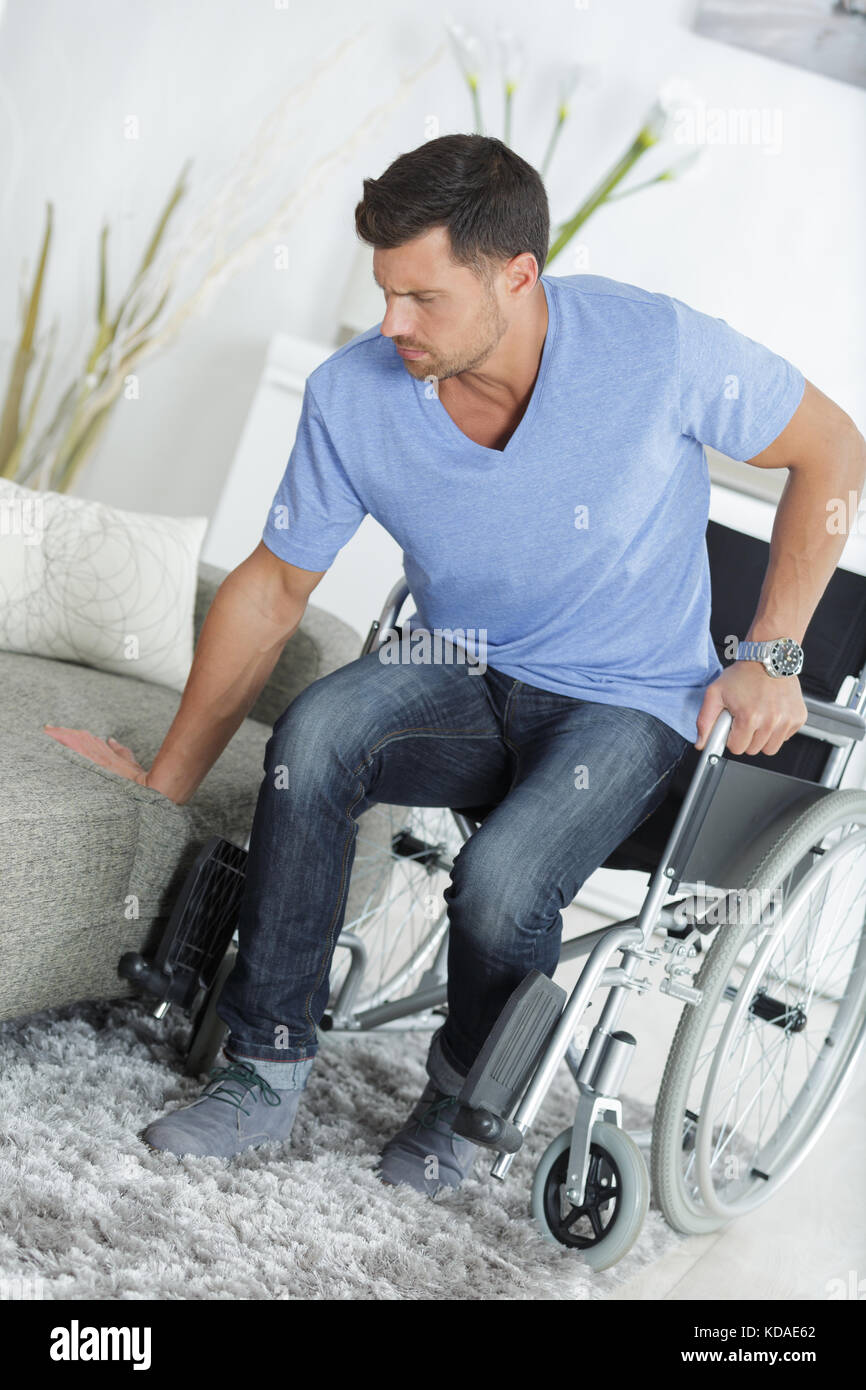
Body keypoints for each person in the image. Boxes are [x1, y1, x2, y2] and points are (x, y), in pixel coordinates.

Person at [45, 134, 865, 1195]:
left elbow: (831, 446)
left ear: (516, 276)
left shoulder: (651, 346)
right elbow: (270, 587)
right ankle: (265, 1065)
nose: (392, 324)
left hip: (630, 701)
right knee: (320, 730)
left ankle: (467, 1101)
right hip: (465, 669)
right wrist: (166, 780)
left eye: (422, 298)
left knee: (501, 883)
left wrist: (770, 651)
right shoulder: (355, 395)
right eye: (385, 293)